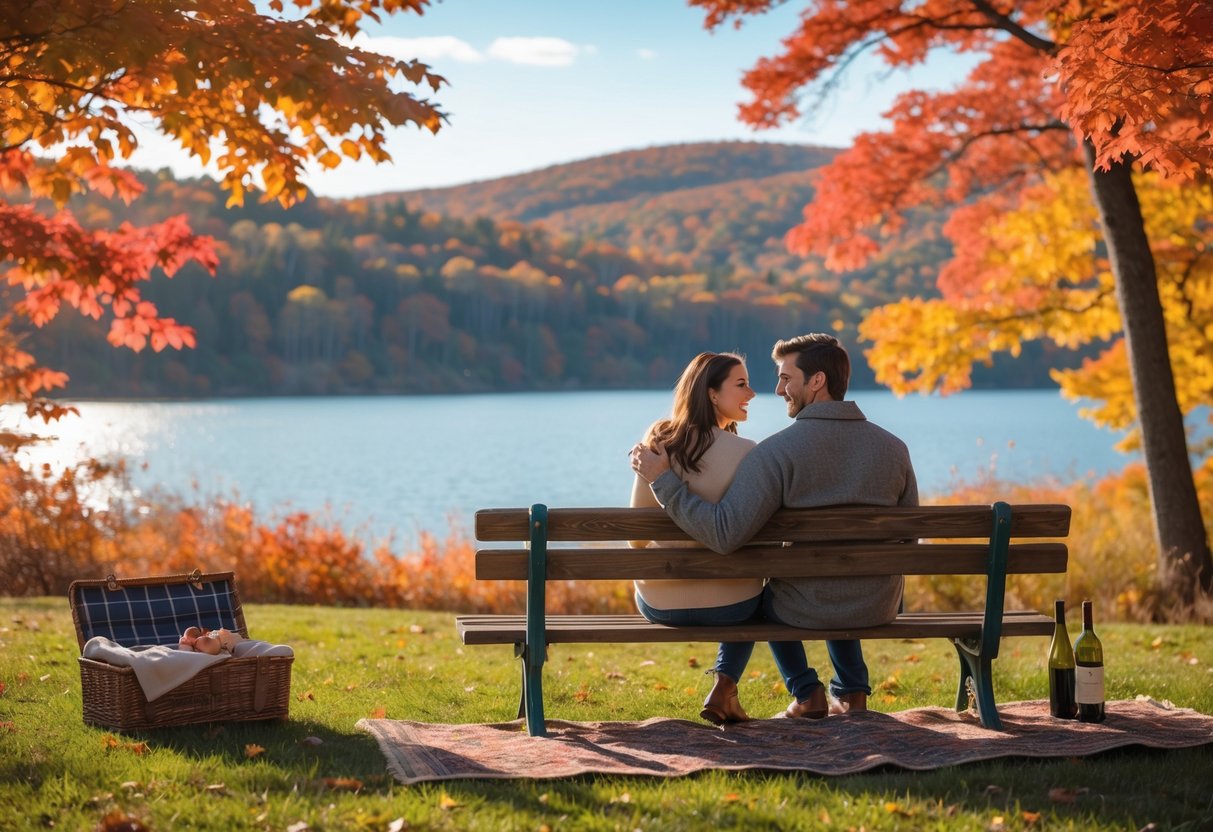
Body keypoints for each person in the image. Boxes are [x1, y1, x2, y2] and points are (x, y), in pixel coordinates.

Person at [631, 333, 918, 719]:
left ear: (816, 381)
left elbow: (724, 532)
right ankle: (852, 692)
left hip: (805, 605)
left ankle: (805, 693)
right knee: (820, 578)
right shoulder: (895, 448)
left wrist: (664, 481)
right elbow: (909, 538)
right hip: (876, 604)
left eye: (786, 378)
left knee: (766, 597)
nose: (777, 389)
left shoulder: (778, 452)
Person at [629, 351, 816, 724]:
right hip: (733, 606)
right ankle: (801, 690)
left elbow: (636, 537)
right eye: (741, 384)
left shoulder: (657, 443)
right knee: (767, 599)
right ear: (712, 394)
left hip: (658, 602)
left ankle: (735, 691)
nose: (753, 393)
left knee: (760, 597)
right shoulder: (752, 454)